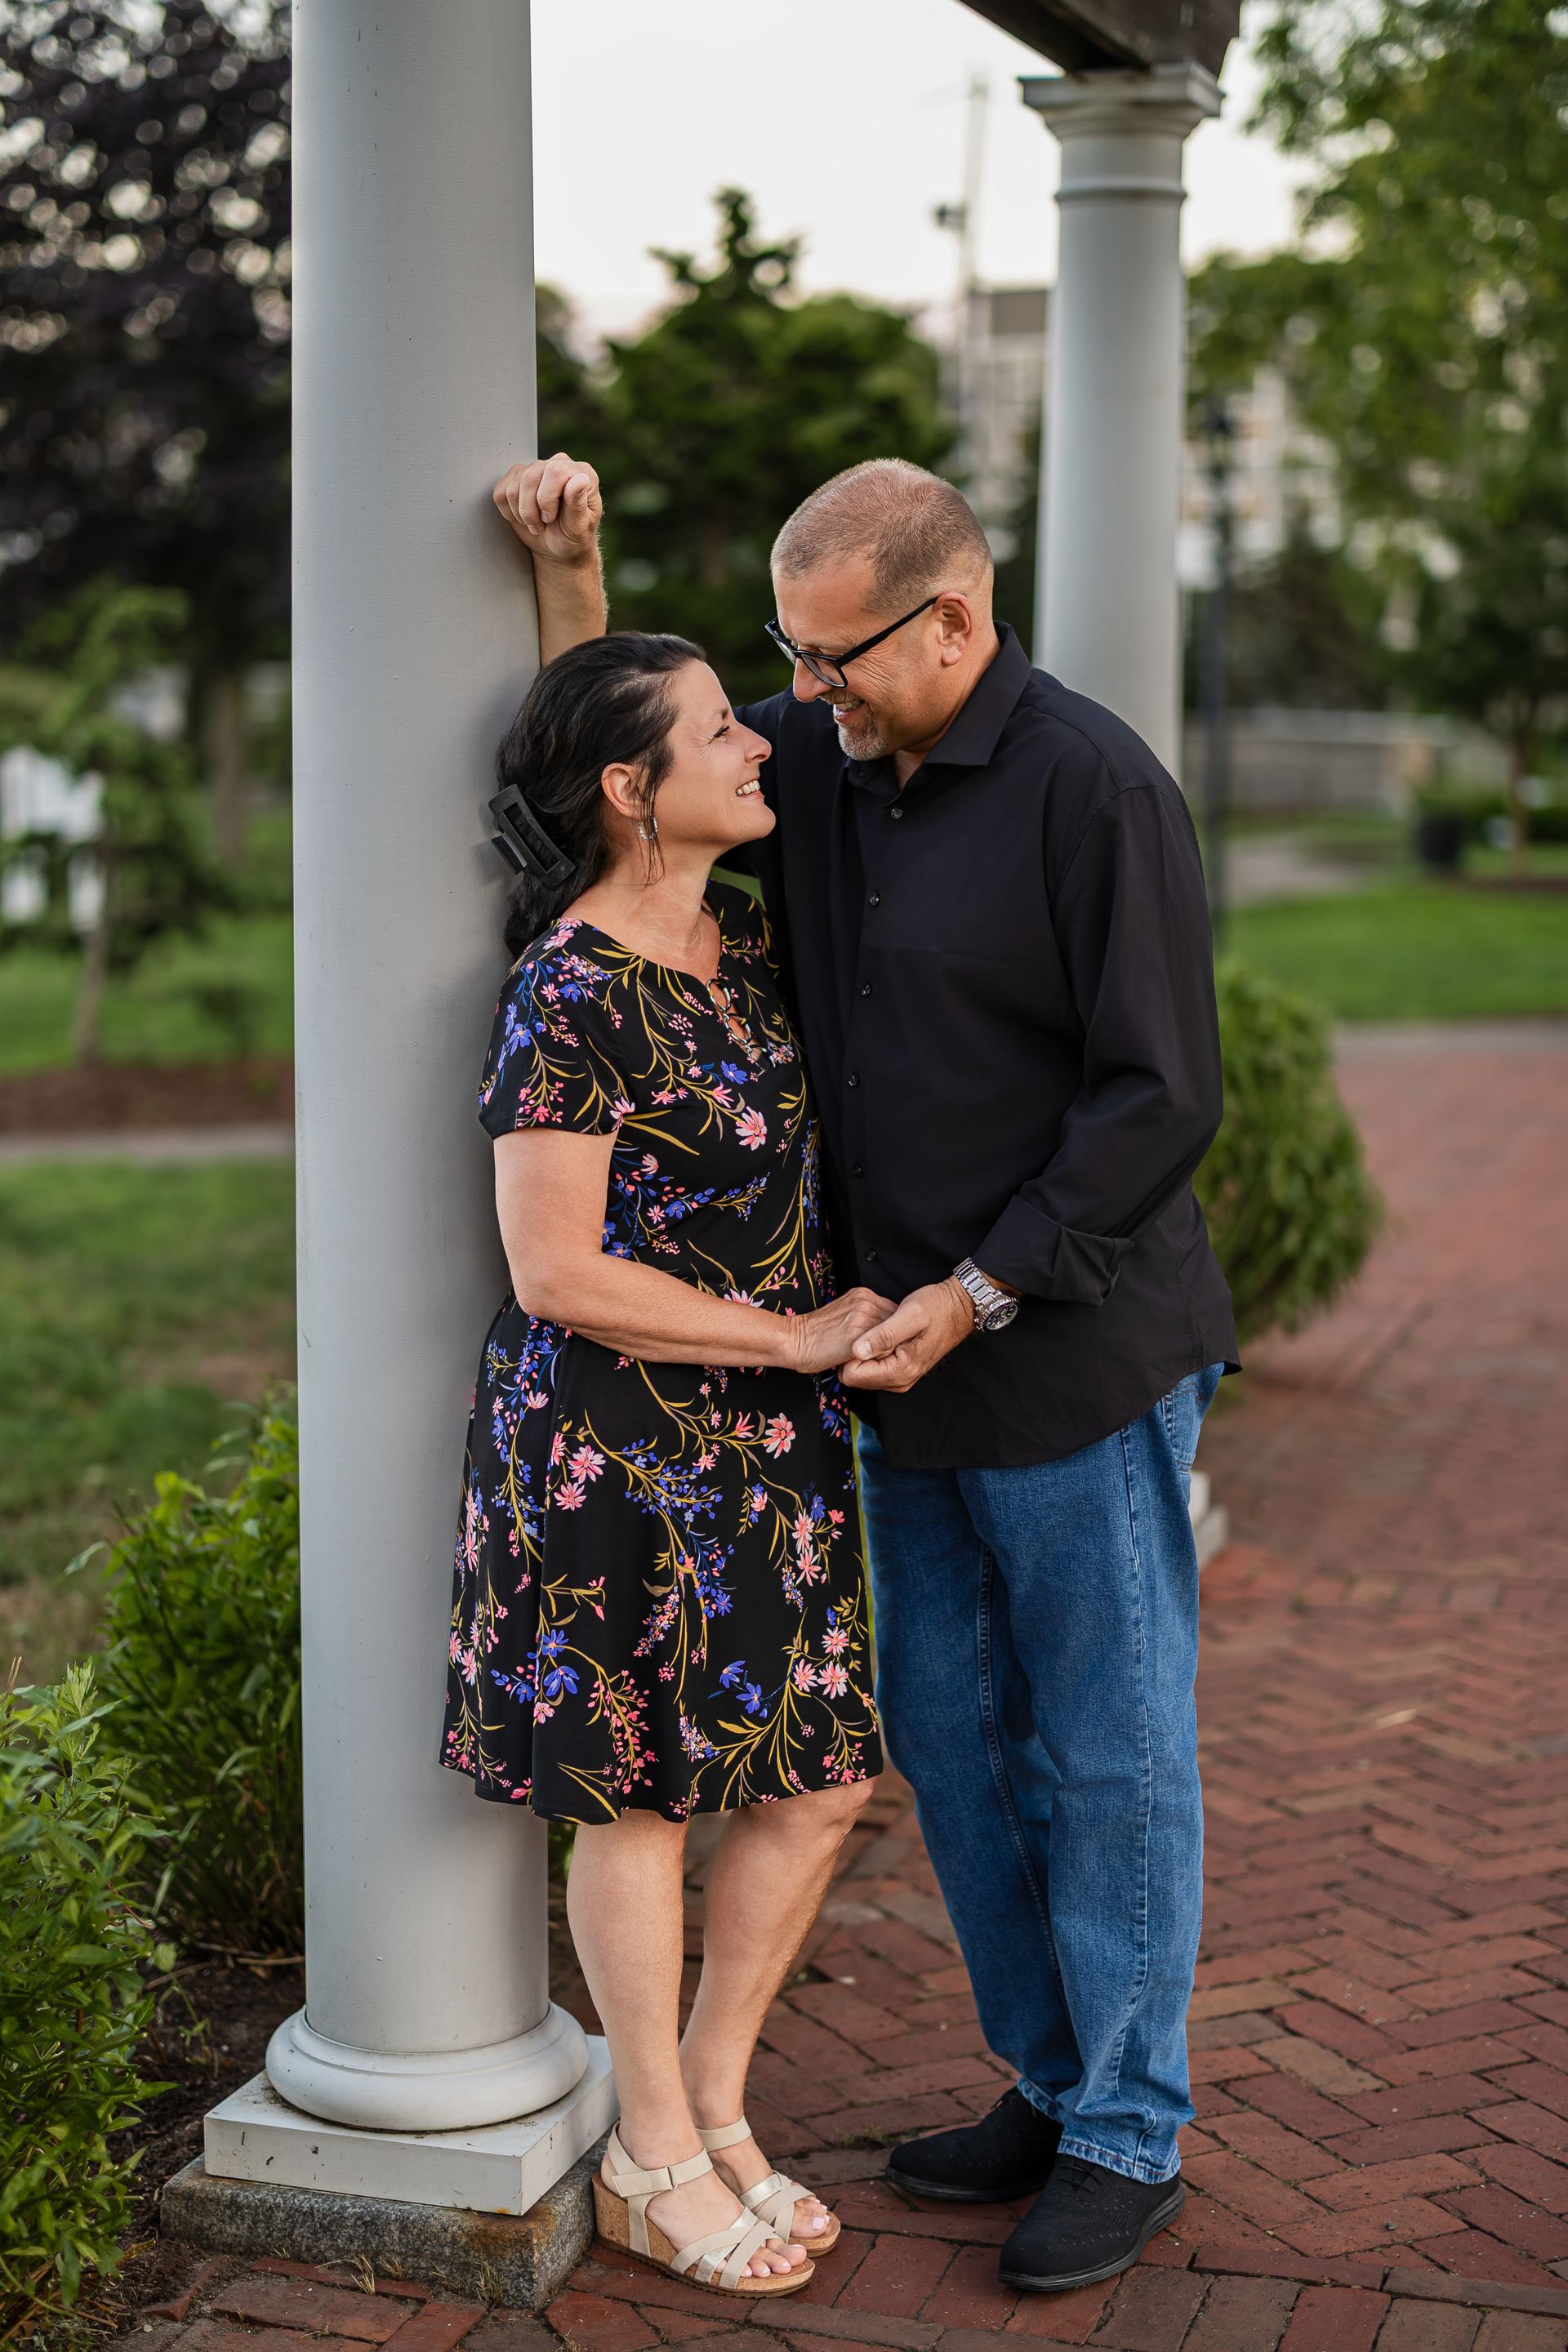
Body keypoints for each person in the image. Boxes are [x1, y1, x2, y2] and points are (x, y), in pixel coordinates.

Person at [494, 451, 1241, 2298]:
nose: (799, 704)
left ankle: (1129, 2131)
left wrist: (979, 1290)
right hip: (882, 1377)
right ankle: (1048, 2082)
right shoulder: (817, 764)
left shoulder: (1097, 793)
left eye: (831, 665)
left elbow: (1162, 1098)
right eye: (786, 664)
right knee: (957, 1756)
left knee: (1108, 1754)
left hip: (1067, 1354)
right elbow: (623, 778)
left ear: (956, 622)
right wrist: (571, 576)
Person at [440, 630, 889, 2298]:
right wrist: (793, 1339)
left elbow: (603, 686)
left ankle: (707, 2104)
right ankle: (652, 2150)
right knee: (641, 1801)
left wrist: (571, 576)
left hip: (765, 1446)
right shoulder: (568, 987)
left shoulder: (740, 936)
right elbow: (553, 1273)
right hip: (615, 1448)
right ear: (634, 793)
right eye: (723, 732)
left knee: (821, 1778)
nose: (762, 747)